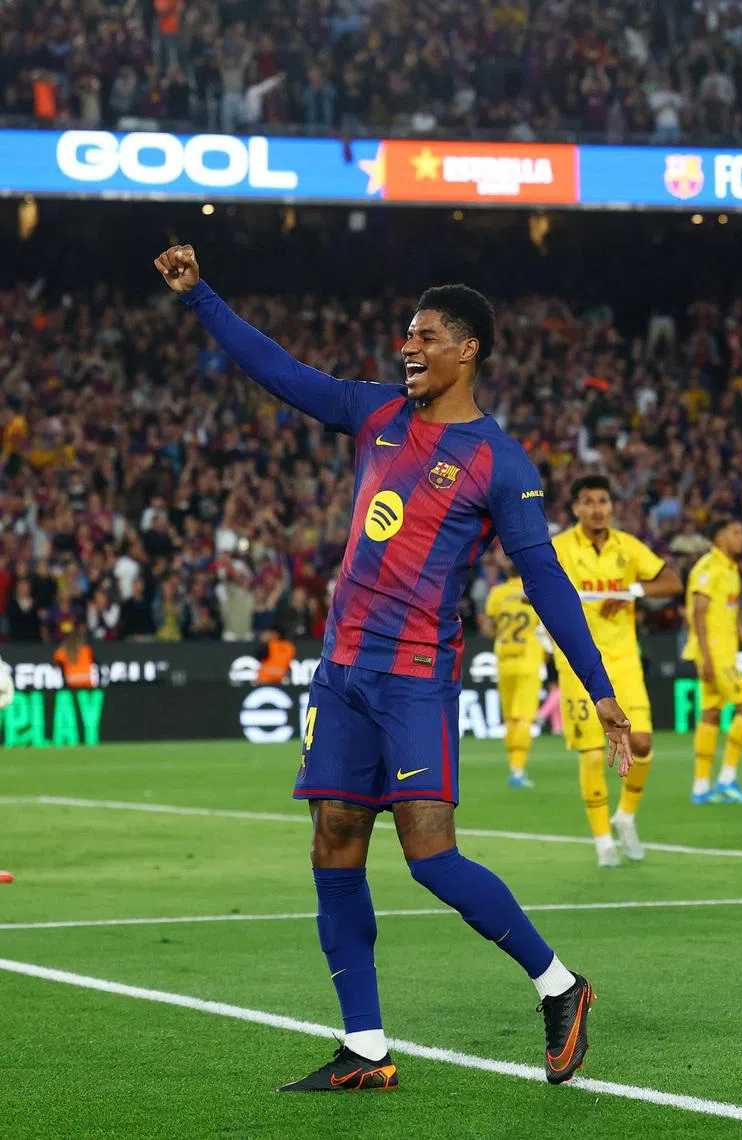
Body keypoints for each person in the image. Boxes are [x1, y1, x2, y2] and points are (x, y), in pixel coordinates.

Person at [155, 245, 633, 1092]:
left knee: (430, 856)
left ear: (468, 349)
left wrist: (601, 690)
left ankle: (561, 985)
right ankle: (366, 1048)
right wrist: (201, 297)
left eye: (426, 335)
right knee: (334, 845)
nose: (407, 346)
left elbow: (548, 581)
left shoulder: (499, 462)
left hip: (415, 676)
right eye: (405, 334)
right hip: (341, 673)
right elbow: (276, 367)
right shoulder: (374, 413)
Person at [551, 475, 682, 867]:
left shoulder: (627, 547)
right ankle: (603, 841)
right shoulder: (559, 548)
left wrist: (630, 592)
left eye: (603, 501)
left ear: (612, 506)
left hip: (624, 660)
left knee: (641, 742)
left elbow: (672, 581)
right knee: (592, 754)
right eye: (588, 501)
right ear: (575, 508)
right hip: (579, 664)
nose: (597, 508)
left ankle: (625, 816)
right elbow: (535, 586)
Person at [683, 517, 742, 804]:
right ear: (719, 537)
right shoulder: (709, 568)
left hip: (724, 652)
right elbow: (698, 614)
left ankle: (700, 787)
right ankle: (727, 780)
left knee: (711, 715)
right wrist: (706, 657)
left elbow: (735, 619)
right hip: (715, 654)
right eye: (736, 532)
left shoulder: (732, 570)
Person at [479, 548, 550, 788]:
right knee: (523, 718)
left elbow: (488, 629)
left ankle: (514, 767)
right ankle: (518, 771)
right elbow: (548, 627)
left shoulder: (498, 593)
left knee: (510, 718)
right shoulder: (536, 590)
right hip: (529, 660)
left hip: (504, 660)